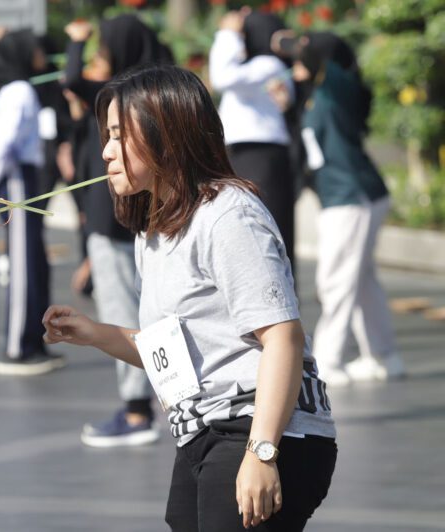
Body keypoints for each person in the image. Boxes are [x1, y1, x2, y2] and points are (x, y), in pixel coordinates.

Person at [43, 64, 337, 531]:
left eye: (120, 135)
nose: (106, 152)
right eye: (107, 135)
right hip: (204, 432)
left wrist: (262, 453)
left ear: (167, 135)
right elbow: (175, 355)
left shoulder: (228, 216)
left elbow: (283, 336)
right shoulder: (154, 229)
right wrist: (97, 335)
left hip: (263, 430)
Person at [62, 14, 172, 447]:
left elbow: (72, 79)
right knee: (155, 312)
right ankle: (162, 401)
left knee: (123, 313)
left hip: (116, 223)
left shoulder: (122, 96)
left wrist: (76, 41)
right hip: (151, 219)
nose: (111, 149)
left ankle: (136, 410)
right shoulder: (161, 90)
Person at [291, 34, 405, 386]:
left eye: (302, 57)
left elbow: (324, 59)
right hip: (346, 197)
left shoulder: (338, 88)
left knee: (336, 280)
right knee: (360, 280)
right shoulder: (316, 95)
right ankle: (384, 356)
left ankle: (328, 360)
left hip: (352, 197)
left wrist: (286, 43)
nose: (294, 63)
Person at [0, 27, 64, 376]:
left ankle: (34, 340)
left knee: (33, 262)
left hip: (19, 178)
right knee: (24, 265)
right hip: (16, 180)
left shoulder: (11, 90)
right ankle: (18, 347)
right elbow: (5, 142)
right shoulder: (21, 91)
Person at [209, 9, 296, 272]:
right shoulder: (257, 67)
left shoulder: (270, 65)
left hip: (261, 156)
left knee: (264, 234)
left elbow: (221, 77)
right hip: (246, 154)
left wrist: (227, 34)